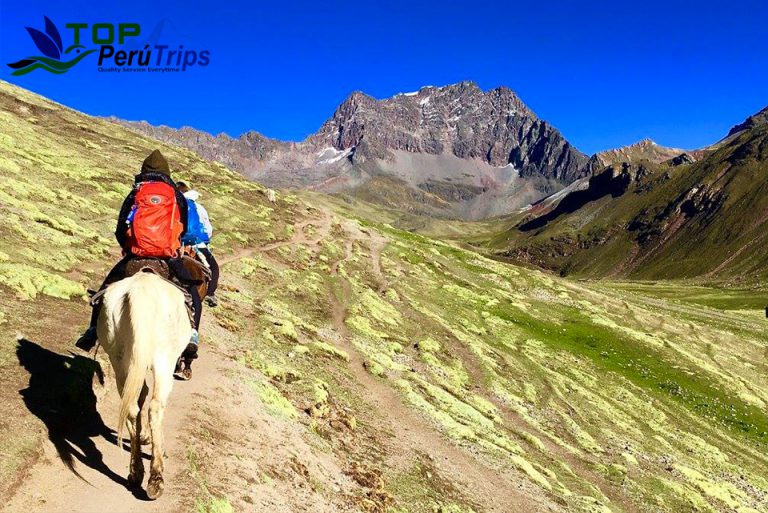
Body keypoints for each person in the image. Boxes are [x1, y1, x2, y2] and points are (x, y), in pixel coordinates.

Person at [76, 150, 202, 358]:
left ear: (143, 172)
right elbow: (184, 228)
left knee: (104, 291)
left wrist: (129, 247)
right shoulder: (176, 196)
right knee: (193, 292)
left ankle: (92, 332)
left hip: (135, 255)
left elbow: (120, 227)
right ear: (167, 173)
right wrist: (173, 246)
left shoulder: (135, 193)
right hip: (167, 257)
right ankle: (192, 334)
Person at [177, 182, 219, 307]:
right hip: (196, 244)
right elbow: (208, 230)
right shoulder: (198, 208)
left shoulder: (173, 203)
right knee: (214, 267)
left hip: (177, 243)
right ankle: (210, 294)